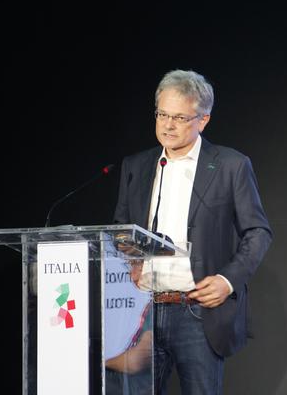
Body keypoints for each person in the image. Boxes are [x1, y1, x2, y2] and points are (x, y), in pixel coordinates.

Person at [113, 69, 272, 394]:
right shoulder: (137, 166)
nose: (168, 125)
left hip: (197, 311)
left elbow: (258, 232)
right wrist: (127, 255)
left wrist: (227, 281)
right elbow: (120, 228)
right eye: (162, 115)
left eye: (180, 117)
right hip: (142, 312)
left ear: (203, 120)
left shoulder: (230, 165)